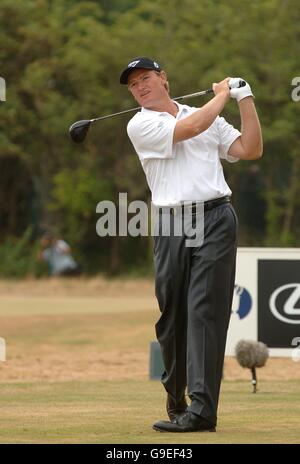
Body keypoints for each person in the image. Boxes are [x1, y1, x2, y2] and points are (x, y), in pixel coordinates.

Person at [120, 57, 263, 433]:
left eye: (146, 78)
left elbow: (250, 149)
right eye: (133, 85)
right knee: (172, 318)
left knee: (204, 311)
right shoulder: (141, 123)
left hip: (216, 218)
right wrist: (221, 96)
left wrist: (244, 98)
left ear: (163, 78)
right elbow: (191, 127)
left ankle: (201, 411)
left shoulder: (207, 115)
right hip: (171, 223)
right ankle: (176, 396)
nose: (140, 87)